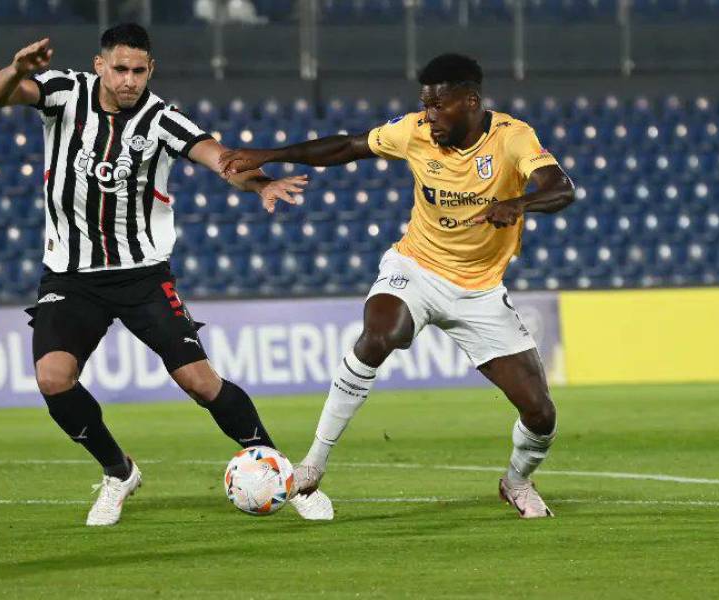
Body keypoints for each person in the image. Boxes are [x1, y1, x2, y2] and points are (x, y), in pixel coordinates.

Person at [0, 23, 330, 526]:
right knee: (53, 379)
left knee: (200, 382)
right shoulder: (64, 93)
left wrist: (259, 186)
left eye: (138, 71)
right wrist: (16, 69)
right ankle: (118, 472)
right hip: (71, 276)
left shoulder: (162, 119)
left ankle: (284, 477)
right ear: (100, 64)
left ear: (151, 71)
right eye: (120, 68)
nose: (129, 80)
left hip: (143, 276)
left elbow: (219, 158)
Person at [220, 53, 576, 519]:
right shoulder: (413, 132)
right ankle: (312, 465)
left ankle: (517, 482)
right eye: (425, 106)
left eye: (439, 106)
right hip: (417, 268)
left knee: (541, 414)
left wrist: (519, 203)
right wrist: (271, 155)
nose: (429, 117)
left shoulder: (512, 138)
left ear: (471, 101)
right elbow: (347, 147)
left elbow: (561, 188)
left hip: (480, 290)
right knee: (379, 335)